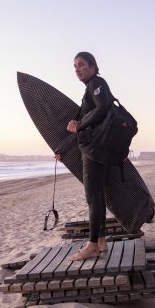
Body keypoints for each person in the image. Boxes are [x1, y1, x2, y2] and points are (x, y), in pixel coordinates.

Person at [56, 51, 112, 261]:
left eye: (81, 64)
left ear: (93, 66)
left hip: (94, 150)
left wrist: (80, 124)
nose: (77, 69)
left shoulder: (97, 83)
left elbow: (104, 107)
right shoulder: (90, 89)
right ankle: (101, 240)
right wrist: (63, 150)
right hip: (96, 148)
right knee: (98, 194)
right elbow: (82, 125)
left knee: (93, 197)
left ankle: (91, 246)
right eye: (74, 66)